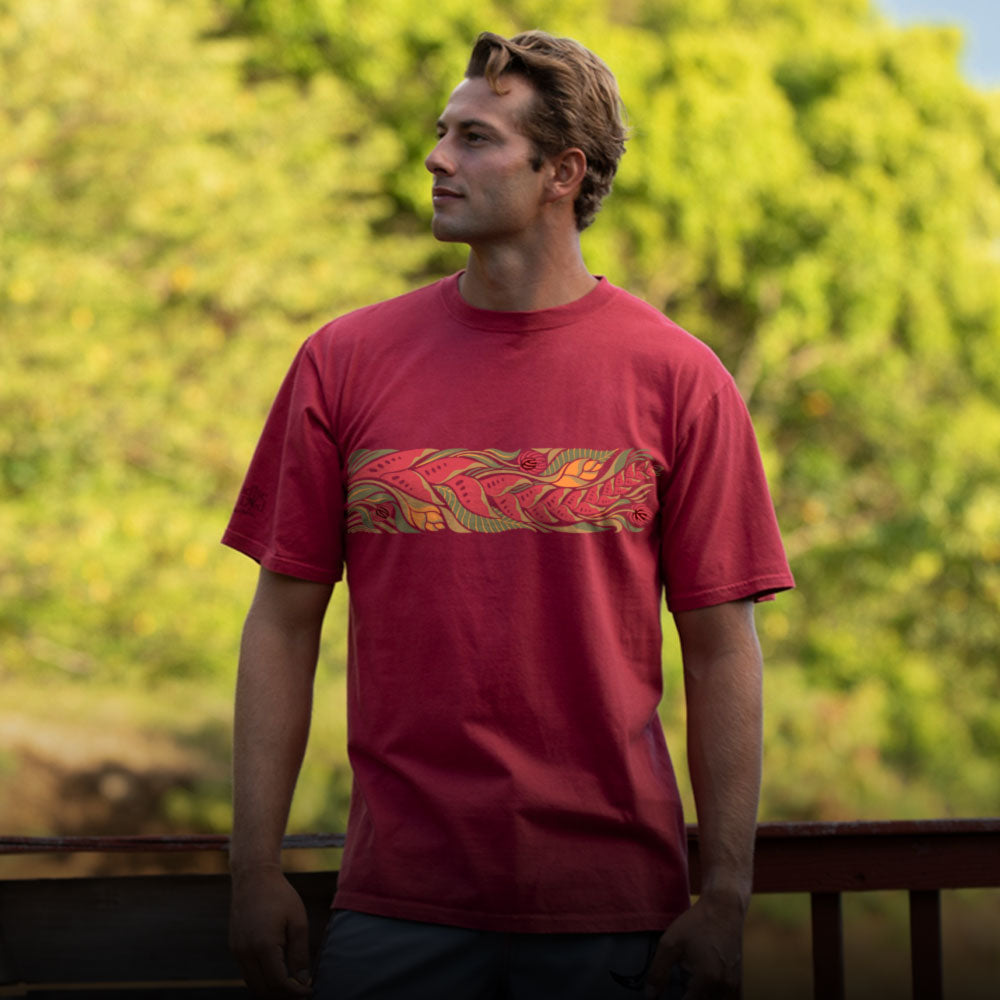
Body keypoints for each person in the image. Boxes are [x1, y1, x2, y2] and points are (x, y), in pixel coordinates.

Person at [224, 29, 793, 1000]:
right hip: (394, 905)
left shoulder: (680, 379)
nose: (438, 157)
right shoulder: (343, 361)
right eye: (442, 132)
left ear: (561, 172)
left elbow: (719, 647)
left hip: (614, 913)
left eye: (475, 138)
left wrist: (725, 895)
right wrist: (254, 869)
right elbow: (281, 626)